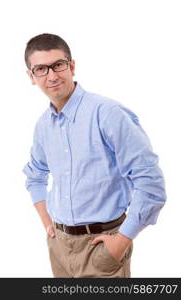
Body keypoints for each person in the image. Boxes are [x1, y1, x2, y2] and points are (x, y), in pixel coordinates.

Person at [22, 33, 166, 278]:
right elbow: (35, 175)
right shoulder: (43, 125)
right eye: (41, 69)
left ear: (72, 66)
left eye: (58, 65)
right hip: (59, 247)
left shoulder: (108, 114)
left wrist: (120, 242)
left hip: (102, 247)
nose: (52, 75)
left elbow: (150, 181)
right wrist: (48, 222)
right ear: (32, 77)